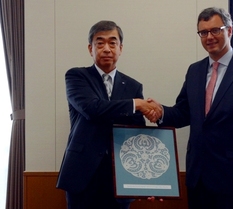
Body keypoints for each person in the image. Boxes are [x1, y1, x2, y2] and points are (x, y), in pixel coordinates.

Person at [147, 7, 233, 209]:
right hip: (198, 179)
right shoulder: (194, 71)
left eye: (216, 30)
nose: (209, 37)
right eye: (203, 32)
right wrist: (160, 112)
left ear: (229, 31)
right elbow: (183, 113)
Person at [56, 20, 161, 209]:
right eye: (100, 43)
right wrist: (135, 104)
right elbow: (92, 109)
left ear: (120, 48)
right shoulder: (76, 76)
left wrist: (149, 178)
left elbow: (137, 135)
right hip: (83, 175)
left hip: (121, 176)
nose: (106, 48)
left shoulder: (133, 86)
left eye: (112, 43)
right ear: (90, 48)